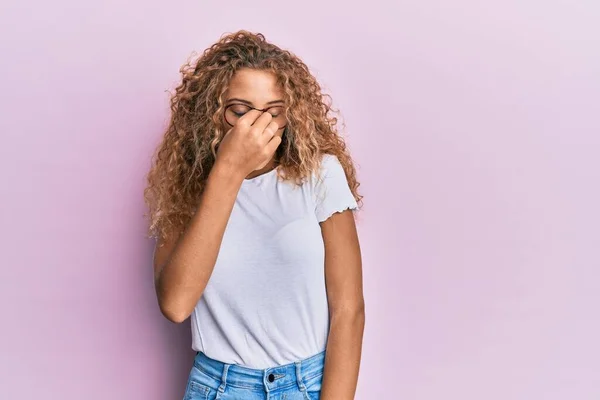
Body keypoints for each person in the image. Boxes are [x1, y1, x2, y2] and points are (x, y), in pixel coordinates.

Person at [143, 30, 365, 400]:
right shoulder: (187, 188)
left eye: (273, 113)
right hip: (219, 387)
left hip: (307, 385)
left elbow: (349, 310)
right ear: (212, 114)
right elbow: (176, 304)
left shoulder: (320, 174)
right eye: (241, 112)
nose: (257, 127)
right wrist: (228, 172)